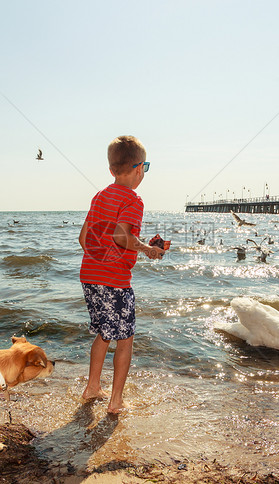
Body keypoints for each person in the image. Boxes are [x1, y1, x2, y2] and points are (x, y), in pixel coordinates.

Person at [78, 135, 165, 414]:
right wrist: (147, 250)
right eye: (146, 167)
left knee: (104, 332)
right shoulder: (133, 199)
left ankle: (92, 387)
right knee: (125, 340)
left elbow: (83, 239)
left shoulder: (100, 196)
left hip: (90, 277)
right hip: (115, 282)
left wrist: (104, 258)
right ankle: (115, 402)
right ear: (139, 168)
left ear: (112, 170)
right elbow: (121, 235)